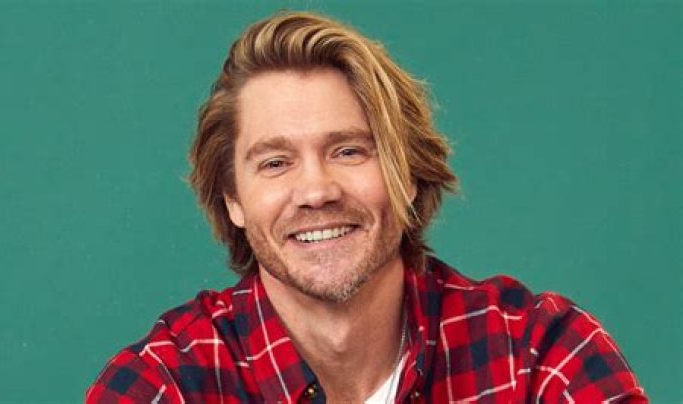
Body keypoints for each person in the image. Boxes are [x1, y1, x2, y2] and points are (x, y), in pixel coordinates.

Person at [86, 11, 647, 403]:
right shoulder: (164, 385)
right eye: (276, 162)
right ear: (232, 199)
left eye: (349, 151)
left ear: (408, 173)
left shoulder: (538, 355)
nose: (317, 190)